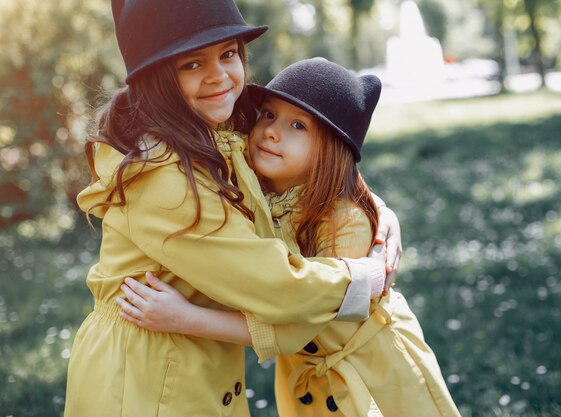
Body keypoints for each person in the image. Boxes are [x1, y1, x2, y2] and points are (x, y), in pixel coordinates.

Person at [64, 2, 401, 417]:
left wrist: (376, 213)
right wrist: (361, 276)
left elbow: (324, 156)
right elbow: (274, 283)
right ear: (156, 79)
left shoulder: (212, 124)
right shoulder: (159, 178)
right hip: (144, 380)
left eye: (227, 54)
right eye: (191, 63)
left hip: (189, 365)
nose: (218, 76)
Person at [117, 58, 462, 417]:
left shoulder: (346, 222)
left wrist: (185, 318)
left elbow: (297, 326)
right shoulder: (254, 192)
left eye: (298, 125)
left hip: (377, 377)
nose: (271, 131)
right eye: (267, 114)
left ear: (332, 149)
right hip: (307, 382)